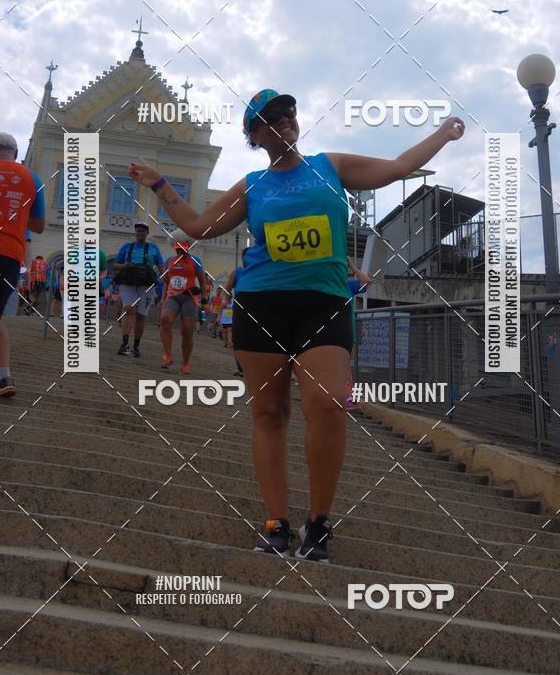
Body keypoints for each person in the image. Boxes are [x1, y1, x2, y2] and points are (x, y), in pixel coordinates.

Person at [128, 89, 465, 562]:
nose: (284, 118)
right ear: (254, 135)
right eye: (270, 117)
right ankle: (276, 524)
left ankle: (319, 523)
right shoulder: (252, 186)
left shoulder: (330, 166)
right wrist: (159, 185)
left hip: (323, 304)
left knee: (327, 404)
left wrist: (441, 134)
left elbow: (397, 168)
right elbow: (199, 226)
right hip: (262, 305)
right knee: (269, 414)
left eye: (288, 111)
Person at [0, 133, 45, 396]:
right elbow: (38, 226)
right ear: (15, 154)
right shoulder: (31, 178)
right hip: (8, 254)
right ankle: (4, 376)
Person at [113, 221, 164, 357]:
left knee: (141, 315)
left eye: (143, 231)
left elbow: (161, 265)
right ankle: (124, 344)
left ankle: (136, 346)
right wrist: (125, 266)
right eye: (138, 231)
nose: (140, 233)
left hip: (146, 284)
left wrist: (163, 280)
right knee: (129, 309)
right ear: (135, 232)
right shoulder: (126, 247)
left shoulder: (153, 248)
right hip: (128, 282)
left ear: (147, 233)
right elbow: (115, 265)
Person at [160, 232, 207, 373]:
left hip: (189, 297)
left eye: (182, 249)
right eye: (177, 249)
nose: (180, 251)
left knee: (187, 330)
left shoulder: (195, 261)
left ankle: (186, 362)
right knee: (165, 319)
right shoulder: (169, 261)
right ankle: (168, 357)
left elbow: (202, 281)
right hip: (173, 296)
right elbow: (166, 281)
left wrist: (204, 300)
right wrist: (163, 298)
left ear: (188, 247)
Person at [345, 257, 373, 409]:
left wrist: (353, 267)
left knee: (347, 366)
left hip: (348, 330)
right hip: (330, 330)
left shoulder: (348, 285)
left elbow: (367, 281)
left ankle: (349, 397)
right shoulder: (325, 285)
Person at [225, 248, 249, 376]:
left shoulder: (258, 272)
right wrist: (225, 300)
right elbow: (227, 289)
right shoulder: (237, 273)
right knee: (237, 338)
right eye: (245, 257)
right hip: (239, 308)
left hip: (255, 310)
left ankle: (248, 367)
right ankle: (241, 367)